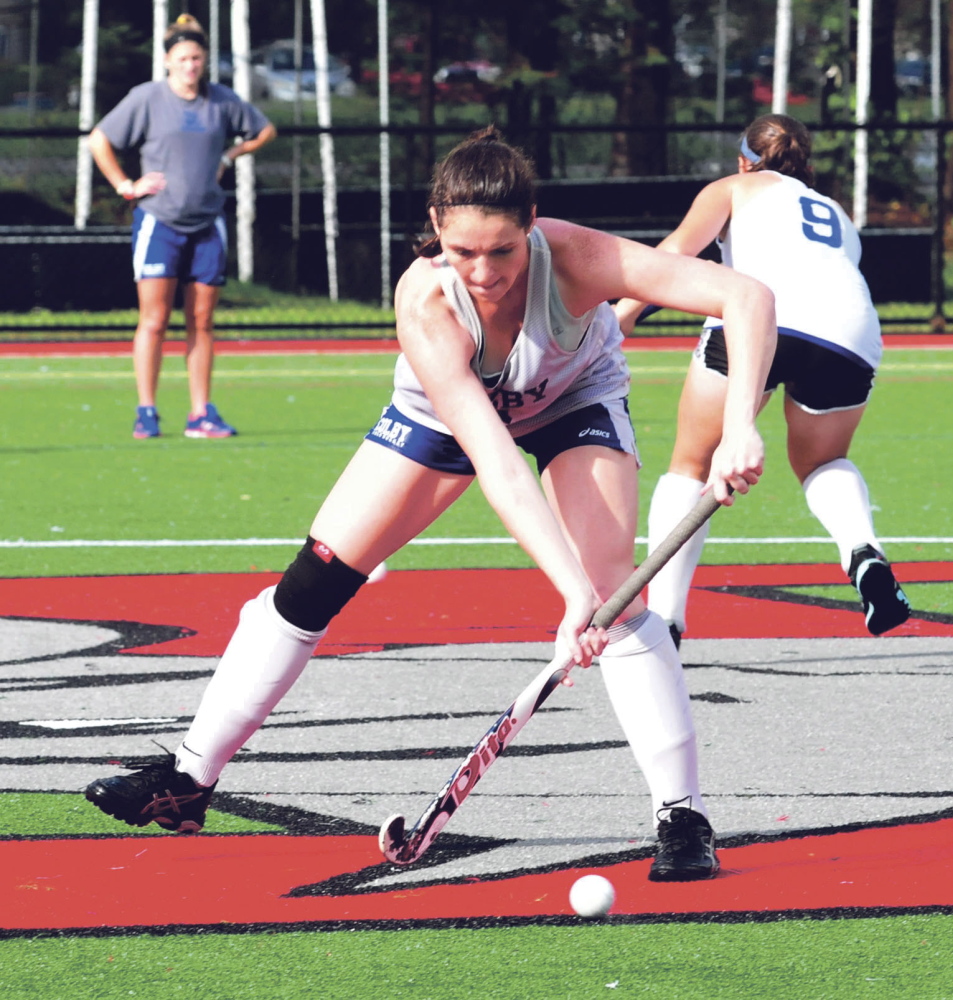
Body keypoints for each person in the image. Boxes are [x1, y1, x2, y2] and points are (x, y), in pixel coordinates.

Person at [85, 127, 776, 882]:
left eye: (504, 252)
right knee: (313, 579)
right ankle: (188, 781)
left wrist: (739, 423)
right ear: (437, 225)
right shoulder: (425, 301)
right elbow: (494, 459)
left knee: (616, 593)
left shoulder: (578, 256)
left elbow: (745, 296)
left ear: (532, 225)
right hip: (449, 416)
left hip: (573, 398)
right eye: (464, 251)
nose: (484, 272)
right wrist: (568, 593)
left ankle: (682, 817)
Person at [615, 113, 911, 644]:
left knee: (692, 464)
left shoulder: (734, 186)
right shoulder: (837, 212)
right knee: (823, 460)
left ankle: (667, 621)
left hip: (763, 317)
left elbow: (675, 255)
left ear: (743, 158)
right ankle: (864, 553)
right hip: (851, 330)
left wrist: (623, 314)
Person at [88, 14, 277, 439]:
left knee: (202, 320)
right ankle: (147, 410)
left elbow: (265, 130)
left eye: (197, 58)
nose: (191, 65)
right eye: (184, 58)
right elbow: (99, 139)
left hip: (207, 223)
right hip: (160, 222)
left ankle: (200, 414)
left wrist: (229, 157)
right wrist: (126, 185)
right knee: (154, 320)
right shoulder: (147, 98)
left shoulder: (220, 100)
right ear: (168, 61)